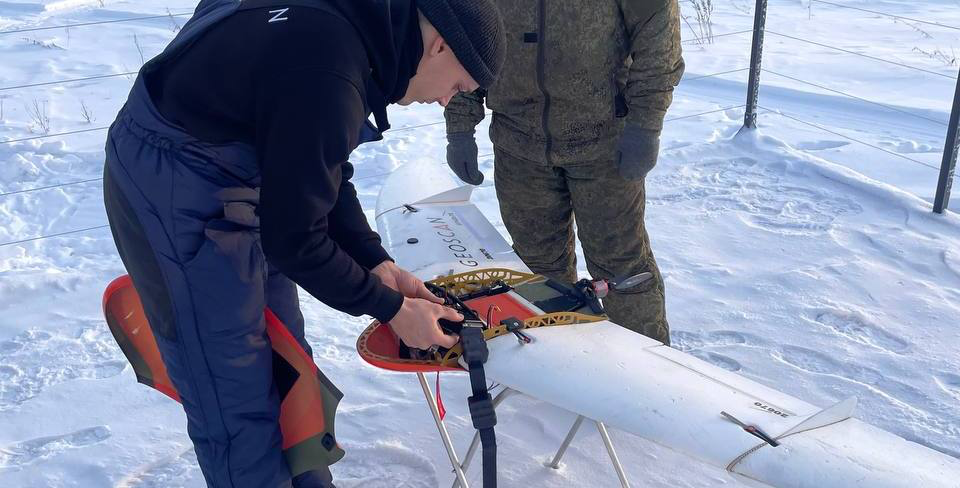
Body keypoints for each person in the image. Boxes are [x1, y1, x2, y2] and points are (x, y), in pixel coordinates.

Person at [101, 0, 504, 486]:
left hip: (241, 165)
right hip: (170, 182)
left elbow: (318, 165)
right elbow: (294, 239)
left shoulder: (363, 31)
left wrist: (374, 261)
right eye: (458, 87)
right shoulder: (331, 65)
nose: (446, 101)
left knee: (288, 369)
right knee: (236, 397)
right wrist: (390, 307)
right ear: (440, 45)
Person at [444, 0, 683, 344]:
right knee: (537, 269)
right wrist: (460, 126)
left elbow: (658, 34)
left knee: (622, 268)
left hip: (603, 146)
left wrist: (645, 127)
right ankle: (555, 358)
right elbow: (463, 37)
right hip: (518, 145)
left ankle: (649, 372)